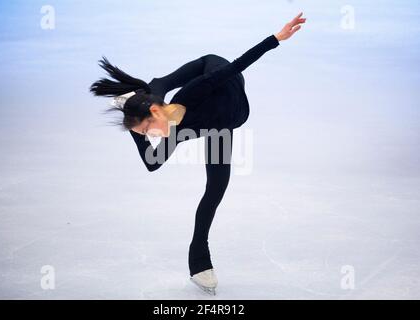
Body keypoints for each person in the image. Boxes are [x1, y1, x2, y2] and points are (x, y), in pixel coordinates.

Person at [90, 12, 306, 295]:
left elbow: (238, 64)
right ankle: (200, 261)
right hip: (219, 123)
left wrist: (277, 38)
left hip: (219, 77)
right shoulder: (175, 128)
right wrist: (134, 128)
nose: (152, 137)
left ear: (155, 112)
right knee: (215, 187)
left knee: (162, 86)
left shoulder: (192, 93)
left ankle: (146, 91)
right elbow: (151, 162)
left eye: (147, 130)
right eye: (146, 135)